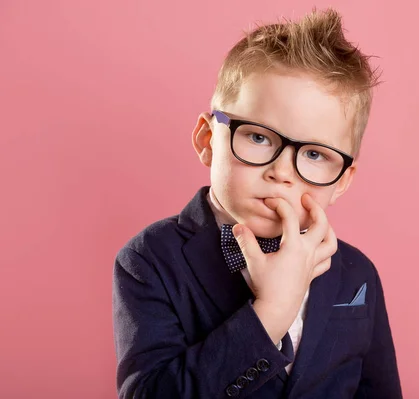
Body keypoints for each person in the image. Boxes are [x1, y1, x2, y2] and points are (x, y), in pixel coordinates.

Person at [112, 8, 402, 398]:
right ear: (207, 139)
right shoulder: (148, 260)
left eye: (315, 155)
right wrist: (270, 313)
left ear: (342, 182)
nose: (282, 172)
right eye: (260, 138)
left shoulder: (358, 275)